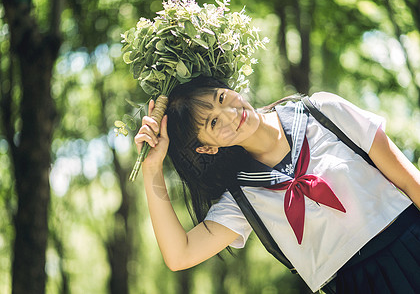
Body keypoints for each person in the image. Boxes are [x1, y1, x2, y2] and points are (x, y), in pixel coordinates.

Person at [135, 76, 420, 293]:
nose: (230, 114)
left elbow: (409, 179)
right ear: (207, 148)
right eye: (212, 123)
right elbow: (179, 254)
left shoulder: (321, 112)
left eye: (222, 97)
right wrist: (152, 168)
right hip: (357, 285)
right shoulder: (244, 196)